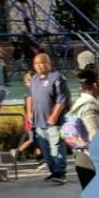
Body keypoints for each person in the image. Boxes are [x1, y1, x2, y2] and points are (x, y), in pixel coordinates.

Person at [68, 68, 99, 189]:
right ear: (96, 85)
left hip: (82, 156)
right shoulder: (89, 107)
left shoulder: (79, 103)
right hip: (93, 160)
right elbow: (95, 135)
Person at [27, 53, 69, 185]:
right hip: (39, 121)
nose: (40, 65)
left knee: (56, 146)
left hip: (53, 122)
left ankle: (60, 173)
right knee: (45, 149)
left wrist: (54, 115)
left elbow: (62, 100)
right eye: (37, 63)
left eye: (43, 62)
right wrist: (29, 112)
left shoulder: (57, 78)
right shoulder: (34, 79)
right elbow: (30, 97)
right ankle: (52, 171)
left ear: (49, 63)